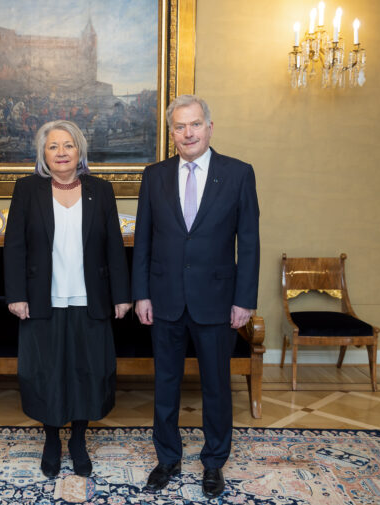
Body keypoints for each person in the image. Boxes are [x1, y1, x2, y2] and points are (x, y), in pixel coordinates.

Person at [132, 95, 260, 498]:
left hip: (218, 300)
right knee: (165, 384)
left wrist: (244, 300)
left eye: (194, 124)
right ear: (171, 133)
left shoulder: (238, 174)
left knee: (216, 387)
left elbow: (250, 242)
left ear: (209, 127)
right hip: (164, 297)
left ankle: (214, 462)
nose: (187, 133)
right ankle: (167, 458)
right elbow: (144, 241)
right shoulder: (154, 175)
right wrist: (141, 295)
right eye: (179, 127)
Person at [4, 120, 131, 478]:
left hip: (91, 298)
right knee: (45, 372)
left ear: (80, 151)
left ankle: (77, 439)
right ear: (43, 154)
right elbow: (14, 245)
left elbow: (113, 248)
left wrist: (121, 296)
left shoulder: (101, 190)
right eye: (53, 146)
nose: (61, 152)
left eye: (68, 145)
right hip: (42, 298)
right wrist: (16, 294)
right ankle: (50, 439)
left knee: (87, 371)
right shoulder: (27, 189)